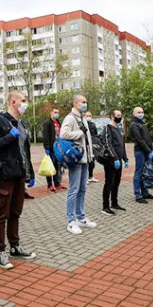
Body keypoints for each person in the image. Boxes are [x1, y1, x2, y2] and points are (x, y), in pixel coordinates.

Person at [0, 90, 37, 269]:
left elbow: (24, 151)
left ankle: (15, 246)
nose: (25, 103)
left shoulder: (22, 124)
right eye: (23, 100)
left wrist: (30, 173)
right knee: (2, 214)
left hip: (19, 175)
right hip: (4, 175)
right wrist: (8, 137)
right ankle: (0, 252)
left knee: (16, 213)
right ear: (13, 102)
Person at [60, 94, 98, 234]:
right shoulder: (70, 118)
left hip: (85, 158)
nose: (85, 104)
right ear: (76, 103)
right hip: (75, 159)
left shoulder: (83, 117)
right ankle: (71, 221)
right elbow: (63, 134)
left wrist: (91, 155)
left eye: (85, 102)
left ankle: (81, 217)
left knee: (82, 189)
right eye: (83, 102)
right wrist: (78, 133)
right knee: (74, 190)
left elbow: (87, 139)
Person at [102, 109, 129, 215]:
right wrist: (114, 158)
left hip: (118, 160)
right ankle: (105, 206)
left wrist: (125, 158)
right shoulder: (108, 128)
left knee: (116, 182)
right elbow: (108, 144)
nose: (119, 117)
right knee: (109, 183)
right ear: (112, 116)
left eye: (120, 115)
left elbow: (122, 145)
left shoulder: (118, 129)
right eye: (117, 115)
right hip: (111, 161)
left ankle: (114, 203)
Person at [129, 107, 153, 204]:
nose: (141, 114)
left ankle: (145, 193)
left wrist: (152, 149)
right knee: (138, 173)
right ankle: (138, 195)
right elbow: (139, 140)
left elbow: (148, 139)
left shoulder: (142, 123)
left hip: (146, 151)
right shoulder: (134, 125)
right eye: (138, 112)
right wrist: (148, 150)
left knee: (144, 172)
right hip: (140, 152)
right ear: (133, 114)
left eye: (142, 112)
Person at [42, 107, 63, 193]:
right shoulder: (47, 123)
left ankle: (57, 183)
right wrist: (47, 147)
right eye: (55, 112)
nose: (56, 114)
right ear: (51, 113)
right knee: (50, 167)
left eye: (57, 112)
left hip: (58, 148)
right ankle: (50, 185)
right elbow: (45, 136)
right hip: (51, 148)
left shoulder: (58, 122)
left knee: (57, 167)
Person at [83, 111, 100, 183]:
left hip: (92, 145)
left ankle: (91, 176)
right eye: (87, 115)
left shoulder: (93, 124)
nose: (89, 117)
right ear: (84, 116)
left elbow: (95, 134)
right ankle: (85, 178)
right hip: (85, 145)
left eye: (90, 115)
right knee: (86, 162)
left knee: (92, 162)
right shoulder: (83, 125)